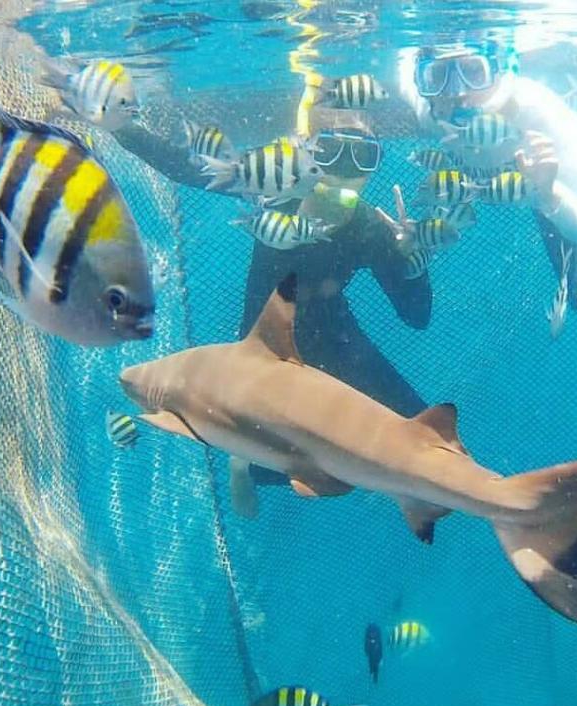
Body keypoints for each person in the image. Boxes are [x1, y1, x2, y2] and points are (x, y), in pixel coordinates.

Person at [109, 102, 432, 515]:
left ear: (374, 167)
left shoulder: (370, 226)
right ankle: (243, 463)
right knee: (272, 448)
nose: (346, 168)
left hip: (338, 338)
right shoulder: (275, 193)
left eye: (363, 155)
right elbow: (189, 169)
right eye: (332, 150)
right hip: (268, 344)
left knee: (424, 434)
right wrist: (121, 128)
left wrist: (412, 261)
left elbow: (416, 317)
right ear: (309, 154)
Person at [396, 40, 577, 358]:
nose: (456, 91)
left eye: (474, 71)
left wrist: (549, 192)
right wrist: (422, 234)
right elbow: (401, 70)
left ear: (502, 70)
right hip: (543, 192)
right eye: (439, 75)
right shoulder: (431, 111)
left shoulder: (537, 116)